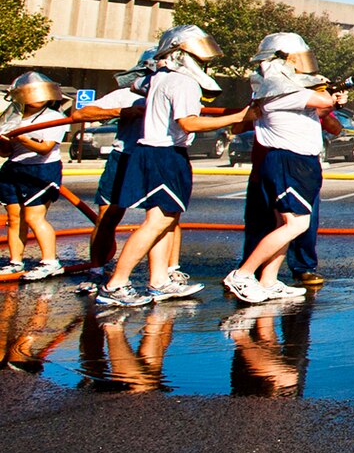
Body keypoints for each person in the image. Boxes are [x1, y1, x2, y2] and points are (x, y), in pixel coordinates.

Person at [93, 25, 250, 309]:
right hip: (166, 154)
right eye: (199, 57)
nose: (203, 63)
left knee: (164, 220)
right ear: (181, 54)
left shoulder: (162, 78)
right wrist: (238, 116)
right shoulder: (182, 82)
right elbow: (188, 122)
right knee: (158, 222)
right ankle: (115, 284)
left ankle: (159, 280)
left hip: (153, 151)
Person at [224, 32, 338, 304]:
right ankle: (243, 274)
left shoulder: (285, 90)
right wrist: (326, 90)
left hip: (296, 161)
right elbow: (324, 102)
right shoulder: (279, 92)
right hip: (289, 162)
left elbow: (324, 112)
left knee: (283, 223)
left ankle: (269, 280)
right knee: (297, 223)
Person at [68, 50, 190, 294]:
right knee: (109, 214)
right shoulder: (128, 94)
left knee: (168, 216)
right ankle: (97, 270)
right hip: (126, 155)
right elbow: (80, 114)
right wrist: (121, 112)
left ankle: (169, 271)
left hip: (160, 157)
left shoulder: (179, 88)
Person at [0, 72, 71, 281]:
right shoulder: (11, 116)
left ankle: (50, 261)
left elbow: (45, 148)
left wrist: (21, 137)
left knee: (33, 216)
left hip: (42, 169)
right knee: (14, 218)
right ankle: (15, 262)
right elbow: (5, 152)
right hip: (14, 168)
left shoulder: (53, 117)